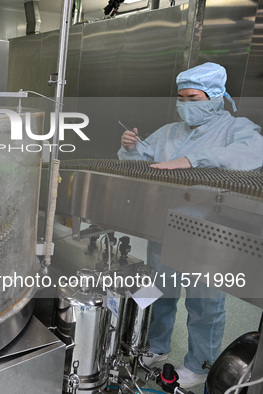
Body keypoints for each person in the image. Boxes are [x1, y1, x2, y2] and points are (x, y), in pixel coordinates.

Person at [117, 62, 263, 388]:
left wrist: (193, 161)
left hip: (210, 232)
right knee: (160, 292)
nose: (185, 105)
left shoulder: (236, 129)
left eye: (193, 98)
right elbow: (145, 163)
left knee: (204, 303)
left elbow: (255, 152)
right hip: (165, 225)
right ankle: (155, 346)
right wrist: (130, 147)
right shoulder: (170, 131)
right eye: (181, 98)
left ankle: (200, 363)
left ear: (215, 97)